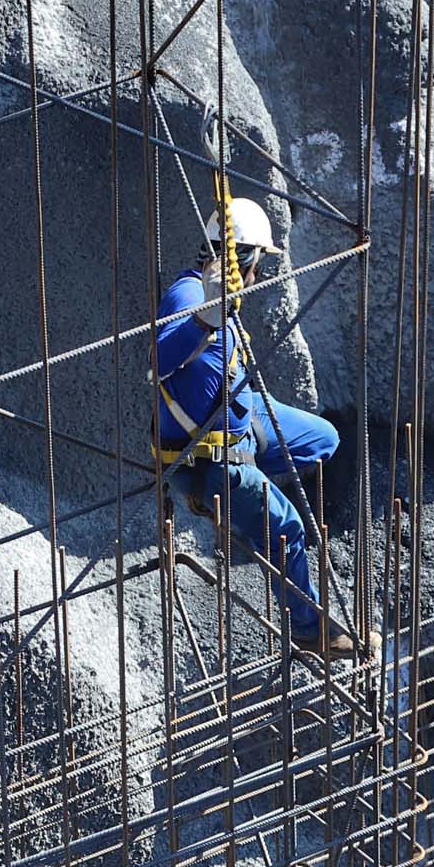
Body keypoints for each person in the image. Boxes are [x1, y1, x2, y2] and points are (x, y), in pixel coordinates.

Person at [153, 193, 360, 657]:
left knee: (324, 439)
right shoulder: (192, 295)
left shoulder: (221, 296)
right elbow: (159, 360)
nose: (259, 275)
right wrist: (203, 318)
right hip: (207, 459)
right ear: (245, 259)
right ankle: (309, 628)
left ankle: (251, 506)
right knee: (287, 528)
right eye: (259, 264)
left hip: (242, 422)